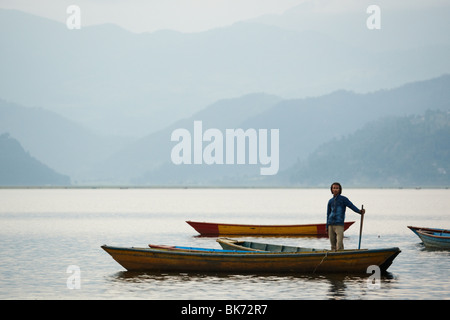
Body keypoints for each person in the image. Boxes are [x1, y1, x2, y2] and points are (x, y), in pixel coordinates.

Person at [326, 182, 365, 251]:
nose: (335, 190)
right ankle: (334, 258)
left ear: (340, 189)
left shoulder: (343, 199)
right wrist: (327, 226)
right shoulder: (330, 201)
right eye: (334, 188)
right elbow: (328, 214)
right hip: (330, 225)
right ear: (331, 190)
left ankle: (341, 256)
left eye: (337, 188)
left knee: (339, 243)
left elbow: (351, 206)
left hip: (339, 224)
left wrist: (359, 211)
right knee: (333, 245)